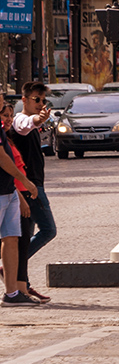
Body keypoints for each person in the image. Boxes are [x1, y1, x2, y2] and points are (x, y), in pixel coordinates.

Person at [10, 82, 56, 279]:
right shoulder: (20, 120)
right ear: (24, 100)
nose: (40, 104)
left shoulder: (31, 123)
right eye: (36, 99)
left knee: (25, 237)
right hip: (30, 187)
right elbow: (28, 123)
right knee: (48, 230)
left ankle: (22, 285)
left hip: (31, 186)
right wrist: (38, 119)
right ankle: (13, 264)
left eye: (43, 100)